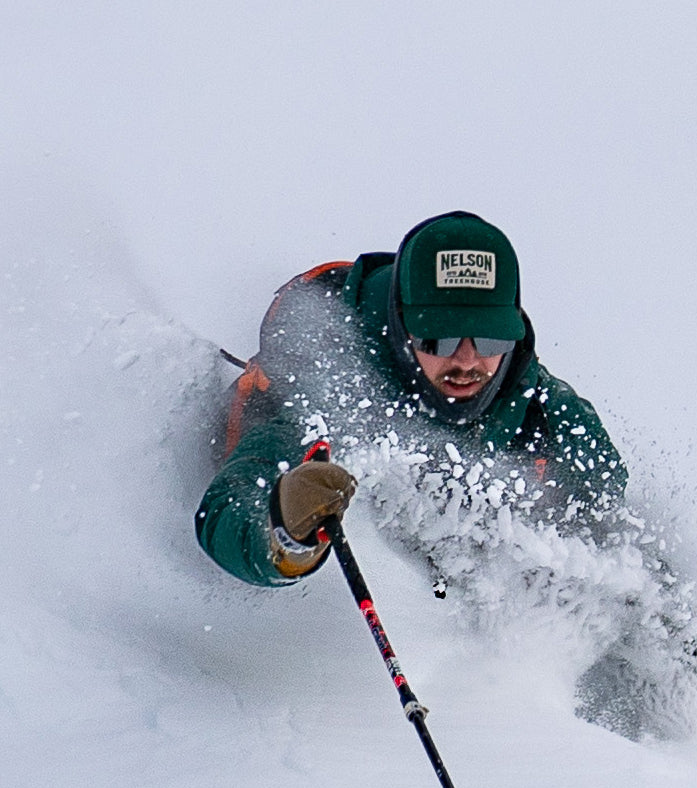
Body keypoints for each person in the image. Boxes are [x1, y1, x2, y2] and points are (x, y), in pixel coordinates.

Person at [195, 211, 627, 588]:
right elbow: (226, 510)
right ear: (401, 327)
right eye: (440, 339)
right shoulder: (329, 382)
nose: (466, 360)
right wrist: (286, 536)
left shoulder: (540, 408)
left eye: (491, 337)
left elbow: (612, 517)